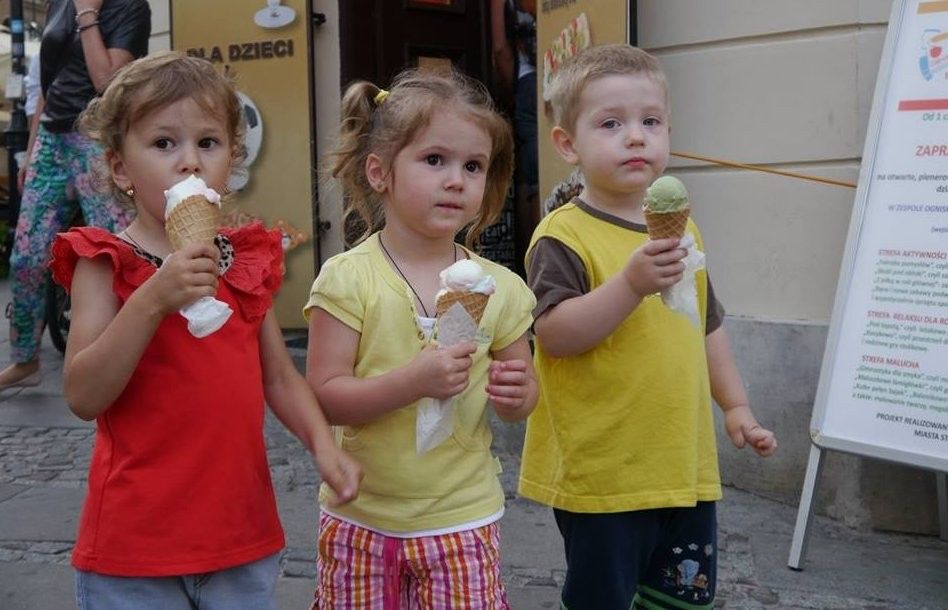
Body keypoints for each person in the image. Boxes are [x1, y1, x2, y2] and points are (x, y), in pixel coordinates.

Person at [48, 52, 362, 608]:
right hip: (135, 549)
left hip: (240, 538)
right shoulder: (105, 260)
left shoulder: (243, 261)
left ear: (232, 161)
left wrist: (324, 446)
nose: (189, 162)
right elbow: (83, 393)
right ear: (121, 167)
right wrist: (153, 300)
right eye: (164, 143)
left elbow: (281, 380)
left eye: (208, 143)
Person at [518, 44, 778, 610]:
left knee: (678, 601)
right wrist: (630, 284)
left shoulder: (686, 230)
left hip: (682, 461)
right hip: (603, 471)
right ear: (568, 144)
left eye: (650, 122)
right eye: (611, 123)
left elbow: (706, 324)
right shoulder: (563, 236)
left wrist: (735, 406)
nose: (636, 136)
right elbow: (556, 335)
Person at [304, 68, 538, 609]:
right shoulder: (347, 278)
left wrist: (517, 393)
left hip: (462, 514)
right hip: (361, 516)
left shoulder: (502, 288)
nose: (457, 179)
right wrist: (413, 380)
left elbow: (520, 401)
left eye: (473, 166)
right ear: (379, 172)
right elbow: (325, 397)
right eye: (435, 160)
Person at [1, 0, 150, 390]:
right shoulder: (58, 4)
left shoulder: (129, 7)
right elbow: (47, 87)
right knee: (26, 256)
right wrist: (29, 154)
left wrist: (87, 14)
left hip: (97, 139)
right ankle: (25, 359)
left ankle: (130, 356)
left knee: (117, 253)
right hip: (51, 138)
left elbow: (107, 84)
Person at [490, 0, 538, 271]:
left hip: (529, 81)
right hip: (571, 73)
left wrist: (512, 93)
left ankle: (531, 269)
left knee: (531, 182)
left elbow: (500, 48)